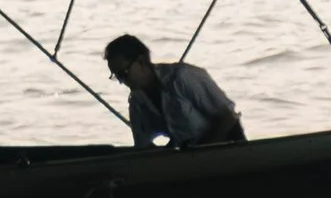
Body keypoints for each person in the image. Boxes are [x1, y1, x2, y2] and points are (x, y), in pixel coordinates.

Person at [104, 35, 245, 151]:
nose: (122, 82)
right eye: (117, 76)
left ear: (141, 61)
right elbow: (143, 146)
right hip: (191, 158)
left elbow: (228, 118)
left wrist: (200, 150)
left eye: (124, 73)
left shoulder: (182, 77)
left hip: (229, 147)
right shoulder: (137, 102)